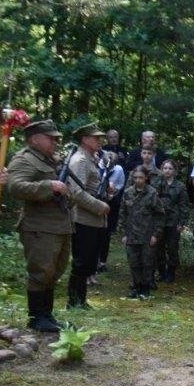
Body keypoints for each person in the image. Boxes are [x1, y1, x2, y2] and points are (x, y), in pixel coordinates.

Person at [6, 120, 70, 332]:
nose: (55, 142)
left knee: (54, 271)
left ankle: (47, 315)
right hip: (39, 227)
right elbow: (15, 187)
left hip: (59, 225)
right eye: (50, 138)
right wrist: (48, 186)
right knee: (40, 272)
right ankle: (36, 318)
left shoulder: (51, 160)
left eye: (56, 138)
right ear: (34, 139)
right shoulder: (24, 159)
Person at [66, 123, 112, 310]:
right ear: (85, 139)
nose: (100, 141)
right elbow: (76, 192)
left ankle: (80, 300)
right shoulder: (80, 160)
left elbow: (90, 187)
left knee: (89, 260)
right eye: (96, 138)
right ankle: (74, 302)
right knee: (82, 261)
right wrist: (100, 206)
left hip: (93, 218)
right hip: (83, 218)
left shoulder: (90, 159)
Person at [118, 166, 164, 299]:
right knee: (134, 262)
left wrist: (155, 234)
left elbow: (160, 215)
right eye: (135, 177)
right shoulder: (128, 192)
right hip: (131, 234)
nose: (138, 180)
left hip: (147, 235)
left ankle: (146, 288)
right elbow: (122, 214)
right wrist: (123, 234)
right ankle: (136, 286)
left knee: (147, 263)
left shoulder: (152, 193)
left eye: (141, 178)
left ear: (146, 178)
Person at [152, 159, 190, 284]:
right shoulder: (156, 183)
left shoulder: (180, 186)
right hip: (158, 221)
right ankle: (161, 272)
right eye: (165, 168)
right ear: (161, 170)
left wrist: (182, 222)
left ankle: (171, 272)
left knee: (173, 248)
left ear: (175, 171)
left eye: (170, 168)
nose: (167, 171)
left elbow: (184, 205)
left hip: (173, 221)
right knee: (158, 248)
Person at [96, 151, 126, 275]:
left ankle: (102, 261)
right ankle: (94, 261)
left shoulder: (118, 170)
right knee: (95, 232)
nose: (110, 167)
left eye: (112, 165)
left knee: (106, 233)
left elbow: (121, 184)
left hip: (111, 204)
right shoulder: (96, 167)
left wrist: (114, 192)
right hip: (96, 202)